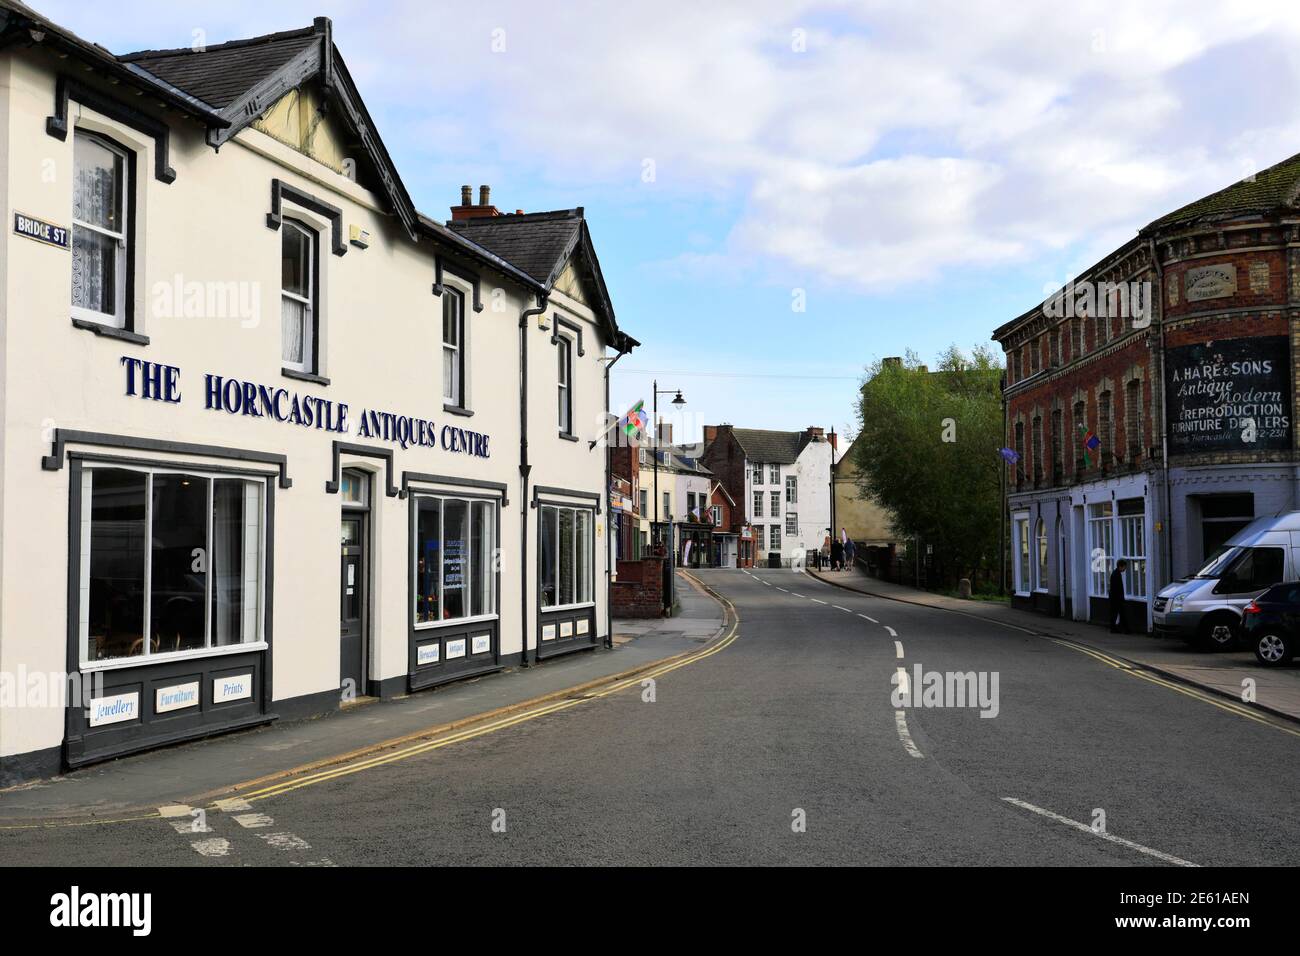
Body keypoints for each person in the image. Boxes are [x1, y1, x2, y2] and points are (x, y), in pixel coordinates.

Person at [1109, 559, 1129, 633]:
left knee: (1115, 614)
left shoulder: (1116, 573)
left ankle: (1114, 629)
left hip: (1115, 598)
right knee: (1119, 614)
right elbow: (1117, 588)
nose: (1125, 569)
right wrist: (1120, 598)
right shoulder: (1116, 574)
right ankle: (1125, 630)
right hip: (1116, 598)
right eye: (1124, 567)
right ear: (1121, 566)